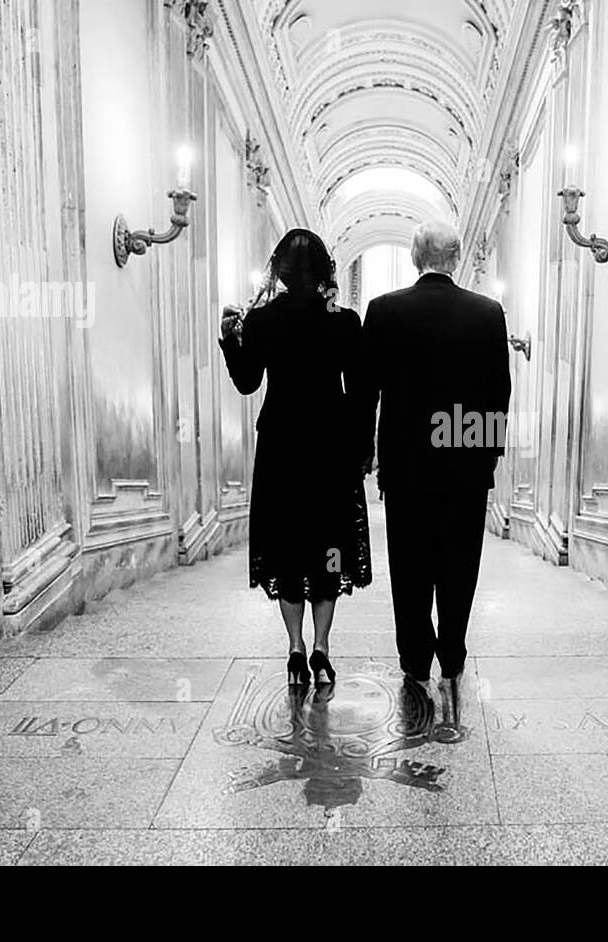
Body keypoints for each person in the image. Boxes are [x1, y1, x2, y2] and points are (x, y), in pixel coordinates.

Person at [361, 220, 511, 716]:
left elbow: (367, 392)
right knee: (459, 566)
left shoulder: (383, 311)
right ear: (457, 257)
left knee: (409, 567)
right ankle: (452, 654)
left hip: (406, 470)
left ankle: (414, 658)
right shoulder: (488, 313)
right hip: (465, 471)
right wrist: (485, 456)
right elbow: (498, 393)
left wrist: (367, 456)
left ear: (414, 257)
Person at [219, 228, 372, 688]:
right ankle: (322, 647)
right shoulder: (344, 321)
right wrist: (364, 448)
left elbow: (247, 383)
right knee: (327, 545)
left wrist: (230, 340)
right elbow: (363, 393)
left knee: (288, 545)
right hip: (330, 447)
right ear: (326, 269)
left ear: (280, 271)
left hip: (281, 446)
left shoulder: (263, 320)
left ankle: (295, 648)